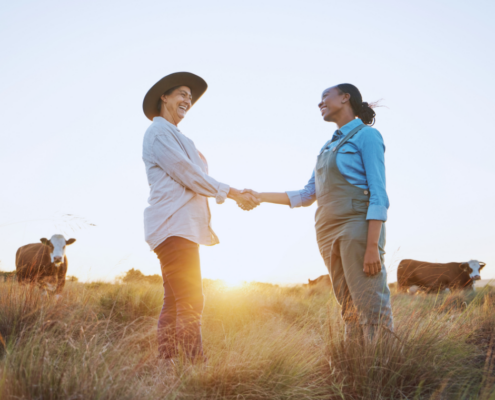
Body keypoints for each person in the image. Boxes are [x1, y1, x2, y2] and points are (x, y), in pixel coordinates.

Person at [244, 84, 393, 342]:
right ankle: (356, 372)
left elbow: (378, 194)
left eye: (325, 96)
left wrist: (372, 246)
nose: (319, 103)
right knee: (348, 308)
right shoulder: (326, 148)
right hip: (326, 232)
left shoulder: (367, 136)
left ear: (345, 98)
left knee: (371, 306)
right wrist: (259, 196)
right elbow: (306, 195)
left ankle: (383, 372)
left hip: (356, 228)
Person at [142, 72, 259, 361]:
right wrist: (232, 193)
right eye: (182, 94)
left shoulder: (181, 138)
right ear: (164, 97)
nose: (187, 100)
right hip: (173, 226)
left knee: (175, 300)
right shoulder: (158, 133)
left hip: (182, 228)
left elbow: (193, 176)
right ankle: (195, 364)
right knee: (191, 298)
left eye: (190, 98)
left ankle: (169, 364)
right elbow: (188, 174)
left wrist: (234, 193)